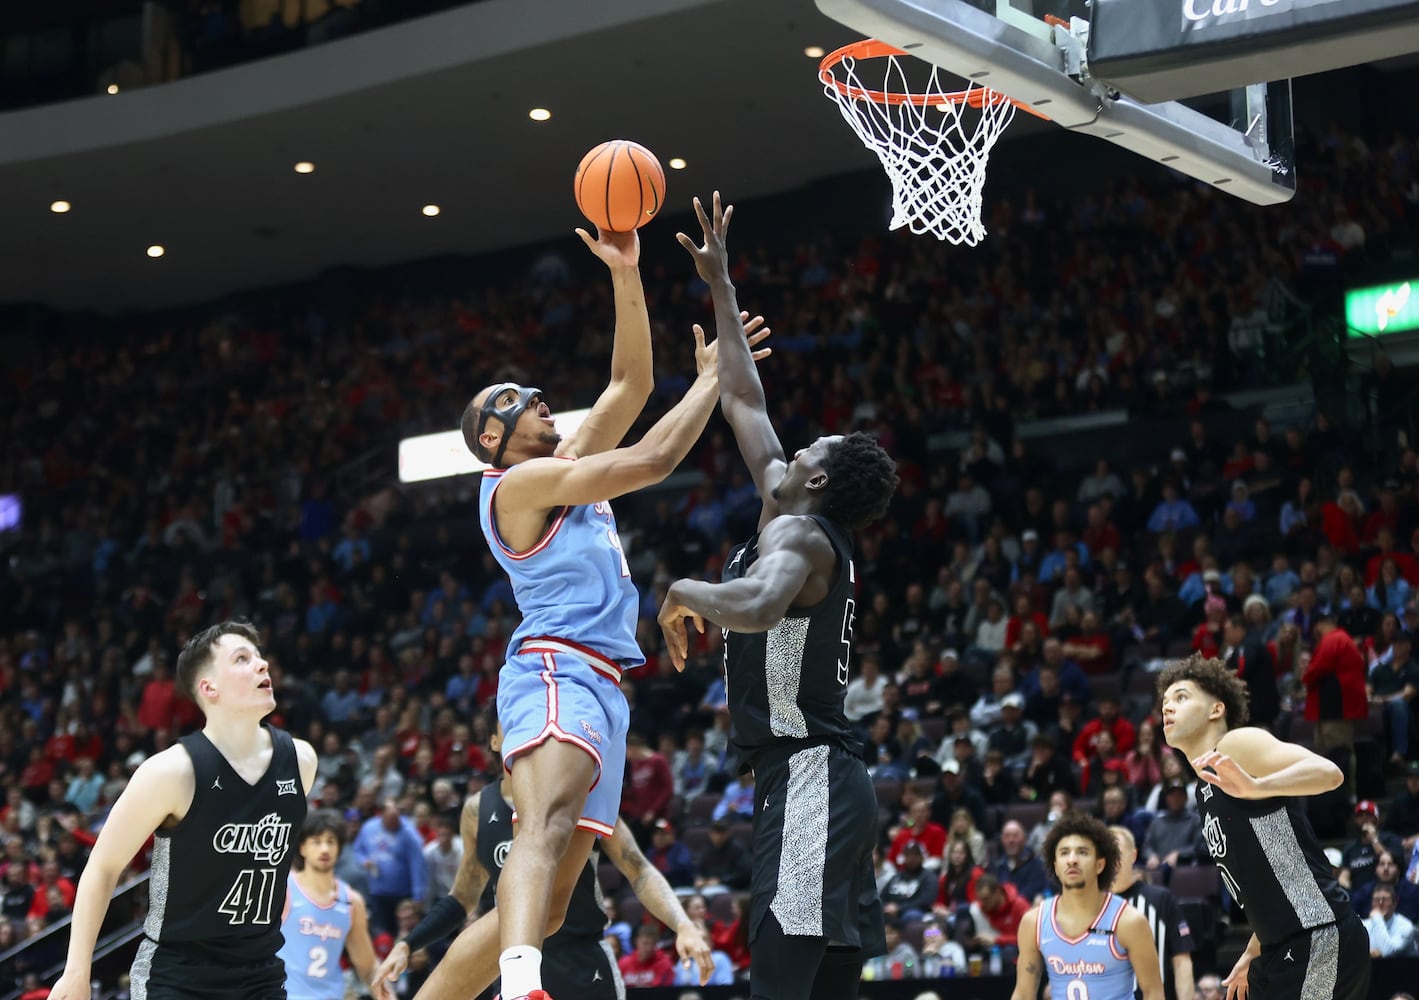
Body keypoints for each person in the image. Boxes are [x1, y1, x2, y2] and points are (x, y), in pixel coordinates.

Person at [456, 220, 768, 1000]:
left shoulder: (558, 462)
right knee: (545, 826)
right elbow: (652, 459)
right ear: (494, 438)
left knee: (555, 901)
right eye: (516, 400)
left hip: (602, 681)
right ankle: (523, 987)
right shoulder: (515, 486)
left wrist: (624, 272)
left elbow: (627, 387)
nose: (535, 396)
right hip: (554, 666)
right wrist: (710, 383)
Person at [657, 193, 898, 1000]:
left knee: (779, 989)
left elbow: (756, 607)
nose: (791, 447)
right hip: (823, 780)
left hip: (808, 778)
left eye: (808, 448)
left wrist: (681, 589)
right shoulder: (786, 506)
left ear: (818, 478)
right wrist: (720, 284)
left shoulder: (796, 538)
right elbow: (744, 399)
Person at [50, 621, 318, 1000]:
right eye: (242, 659)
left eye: (260, 657)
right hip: (177, 977)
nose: (262, 665)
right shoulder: (170, 772)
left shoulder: (302, 762)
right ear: (209, 688)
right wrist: (77, 971)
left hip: (261, 975)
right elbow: (103, 867)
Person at [369, 722, 712, 1000]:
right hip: (511, 963)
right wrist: (407, 943)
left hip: (581, 960)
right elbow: (461, 898)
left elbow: (638, 869)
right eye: (514, 724)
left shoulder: (577, 792)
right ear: (493, 740)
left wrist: (682, 923)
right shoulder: (477, 809)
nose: (526, 731)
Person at [1159, 654, 1372, 1000]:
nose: (1167, 708)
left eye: (1181, 697)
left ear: (1216, 709)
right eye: (1164, 702)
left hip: (1317, 934)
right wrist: (1252, 948)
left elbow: (1330, 774)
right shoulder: (1203, 788)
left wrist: (1256, 787)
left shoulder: (1236, 745)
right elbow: (1269, 875)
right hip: (1276, 948)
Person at [1011, 812, 1164, 1000]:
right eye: (1064, 852)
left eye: (1082, 852)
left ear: (1100, 865)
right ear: (1056, 865)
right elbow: (1023, 994)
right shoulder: (1033, 922)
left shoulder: (1129, 922)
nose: (1072, 859)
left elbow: (1153, 992)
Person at [279, 810, 377, 1000]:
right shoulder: (283, 889)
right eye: (316, 841)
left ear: (339, 848)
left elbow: (367, 966)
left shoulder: (351, 902)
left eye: (331, 841)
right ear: (302, 847)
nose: (324, 849)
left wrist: (384, 989)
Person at [1110, 826, 1196, 1000]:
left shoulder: (1161, 899)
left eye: (1117, 852)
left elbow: (1182, 961)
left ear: (1133, 855)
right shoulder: (1090, 905)